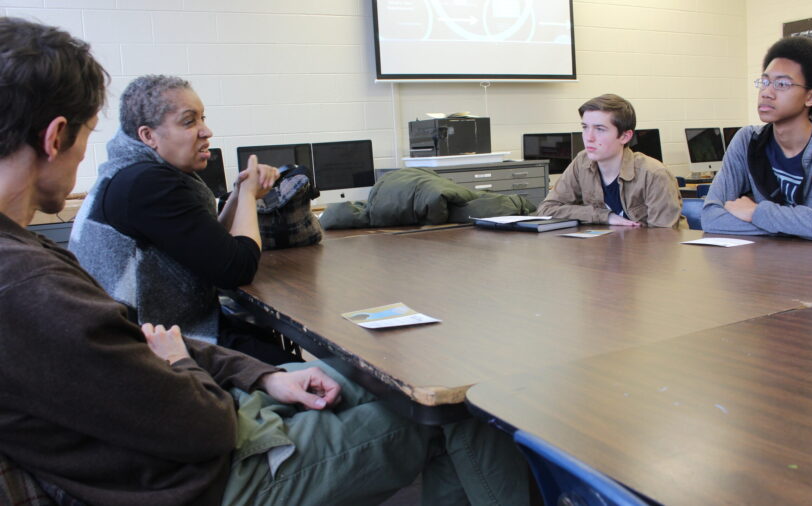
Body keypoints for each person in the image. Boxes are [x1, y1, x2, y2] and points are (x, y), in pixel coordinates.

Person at [0, 18, 527, 506]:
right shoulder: (30, 282)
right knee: (458, 413)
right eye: (89, 134)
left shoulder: (32, 255)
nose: (205, 131)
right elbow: (203, 420)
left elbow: (145, 347)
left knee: (380, 380)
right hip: (200, 474)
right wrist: (183, 362)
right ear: (54, 136)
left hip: (184, 427)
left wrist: (261, 377)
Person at [70, 75, 294, 364]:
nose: (206, 131)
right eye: (189, 122)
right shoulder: (148, 184)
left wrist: (239, 193)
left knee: (266, 342)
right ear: (148, 136)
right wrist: (250, 196)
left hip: (144, 332)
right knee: (303, 370)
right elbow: (237, 268)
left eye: (202, 119)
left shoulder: (129, 171)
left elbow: (213, 247)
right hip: (150, 347)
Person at [700, 37, 812, 242]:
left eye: (782, 84)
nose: (766, 93)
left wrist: (756, 212)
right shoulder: (748, 140)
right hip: (770, 263)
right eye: (764, 82)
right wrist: (809, 227)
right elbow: (711, 218)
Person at [536, 94, 683, 228]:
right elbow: (546, 209)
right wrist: (605, 217)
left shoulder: (654, 174)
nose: (589, 137)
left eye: (600, 129)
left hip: (644, 254)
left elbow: (663, 240)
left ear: (625, 137)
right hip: (602, 251)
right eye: (585, 127)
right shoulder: (582, 161)